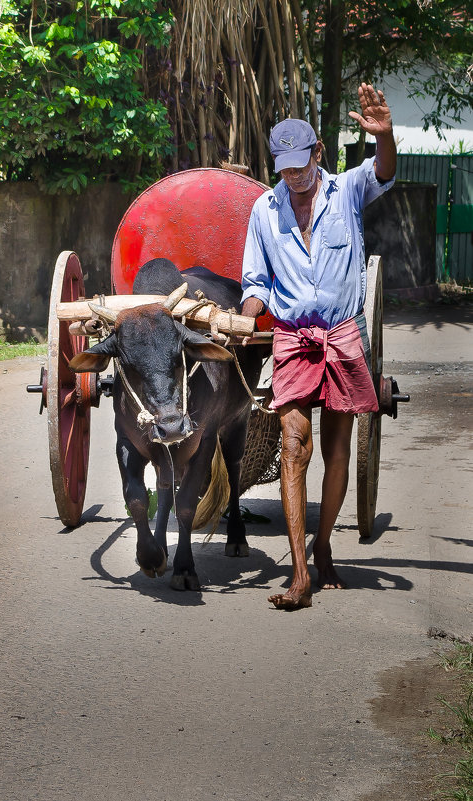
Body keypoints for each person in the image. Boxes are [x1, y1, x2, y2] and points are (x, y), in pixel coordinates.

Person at [241, 83, 396, 609]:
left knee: (336, 451)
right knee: (293, 446)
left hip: (342, 335)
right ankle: (300, 577)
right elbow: (255, 282)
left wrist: (385, 136)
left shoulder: (347, 190)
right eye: (284, 168)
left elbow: (384, 172)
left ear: (318, 155)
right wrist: (245, 315)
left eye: (301, 166)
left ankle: (324, 544)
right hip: (291, 338)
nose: (294, 177)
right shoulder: (264, 210)